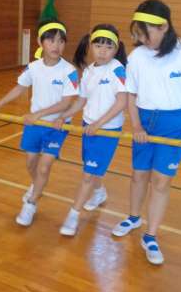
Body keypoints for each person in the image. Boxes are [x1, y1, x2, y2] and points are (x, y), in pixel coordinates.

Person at [112, 0, 181, 265]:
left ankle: (151, 235)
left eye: (145, 34)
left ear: (164, 27)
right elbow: (131, 94)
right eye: (137, 34)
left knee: (161, 180)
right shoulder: (136, 57)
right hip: (144, 120)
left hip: (175, 123)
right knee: (139, 175)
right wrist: (136, 126)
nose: (140, 40)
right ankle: (134, 217)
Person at [0, 18, 79, 227]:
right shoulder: (33, 68)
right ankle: (37, 186)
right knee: (31, 163)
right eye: (51, 40)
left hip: (56, 126)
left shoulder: (69, 71)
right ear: (40, 42)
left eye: (61, 41)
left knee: (44, 167)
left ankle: (31, 203)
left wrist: (39, 114)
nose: (56, 45)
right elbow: (19, 88)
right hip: (35, 125)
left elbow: (66, 103)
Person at [54, 24, 128, 236]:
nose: (103, 51)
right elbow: (81, 101)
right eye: (98, 45)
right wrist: (64, 116)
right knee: (91, 167)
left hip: (106, 131)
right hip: (89, 127)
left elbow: (121, 102)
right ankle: (99, 192)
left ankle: (73, 215)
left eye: (108, 47)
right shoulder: (88, 71)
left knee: (88, 174)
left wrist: (99, 124)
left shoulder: (117, 70)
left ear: (116, 49)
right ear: (90, 46)